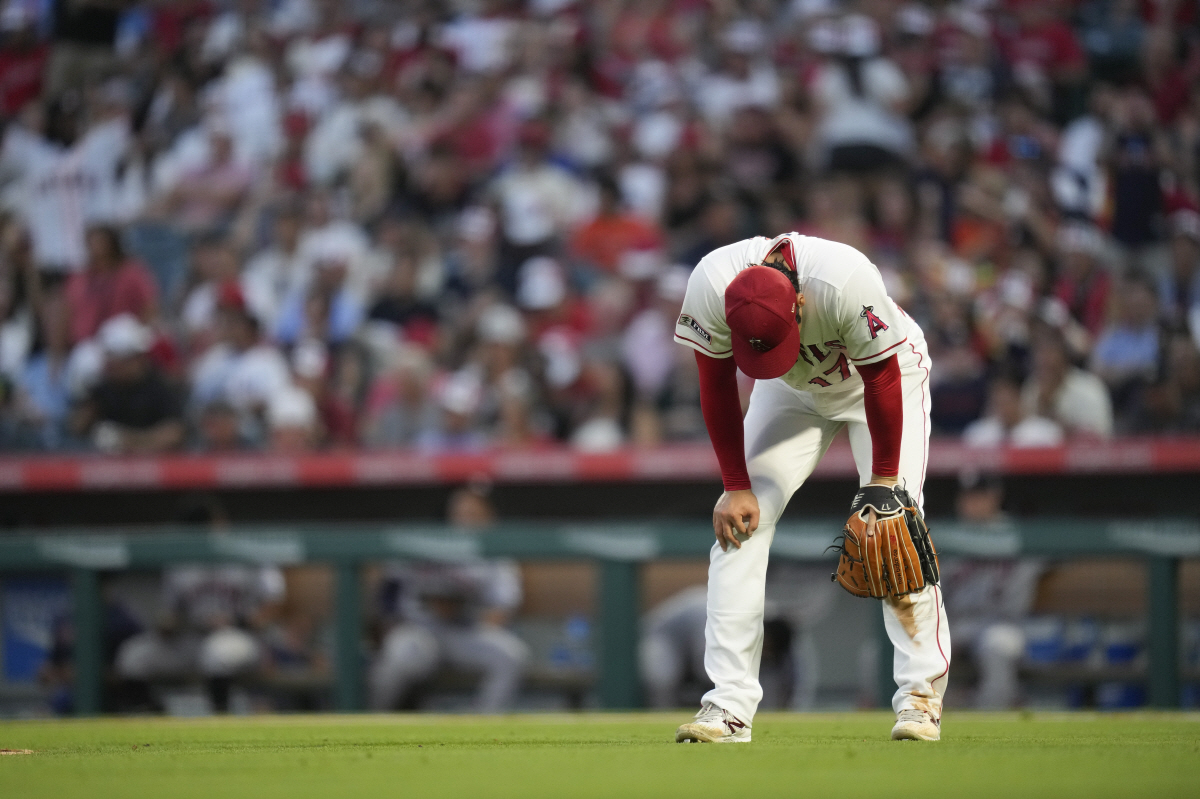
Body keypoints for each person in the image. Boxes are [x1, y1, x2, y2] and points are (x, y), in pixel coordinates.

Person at [671, 232, 949, 743]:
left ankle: (919, 700)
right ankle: (728, 706)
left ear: (800, 304)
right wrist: (735, 485)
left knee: (896, 529)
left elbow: (883, 378)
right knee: (739, 528)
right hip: (790, 390)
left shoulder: (843, 278)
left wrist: (885, 484)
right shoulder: (710, 282)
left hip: (879, 379)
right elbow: (715, 384)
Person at [368, 483, 528, 712]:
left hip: (465, 632)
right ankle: (374, 723)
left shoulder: (496, 554)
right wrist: (389, 626)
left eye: (474, 513)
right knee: (402, 656)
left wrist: (463, 611)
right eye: (460, 512)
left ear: (489, 517)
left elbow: (503, 606)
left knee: (511, 656)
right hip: (418, 630)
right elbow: (388, 588)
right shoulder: (425, 542)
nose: (465, 519)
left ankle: (484, 731)